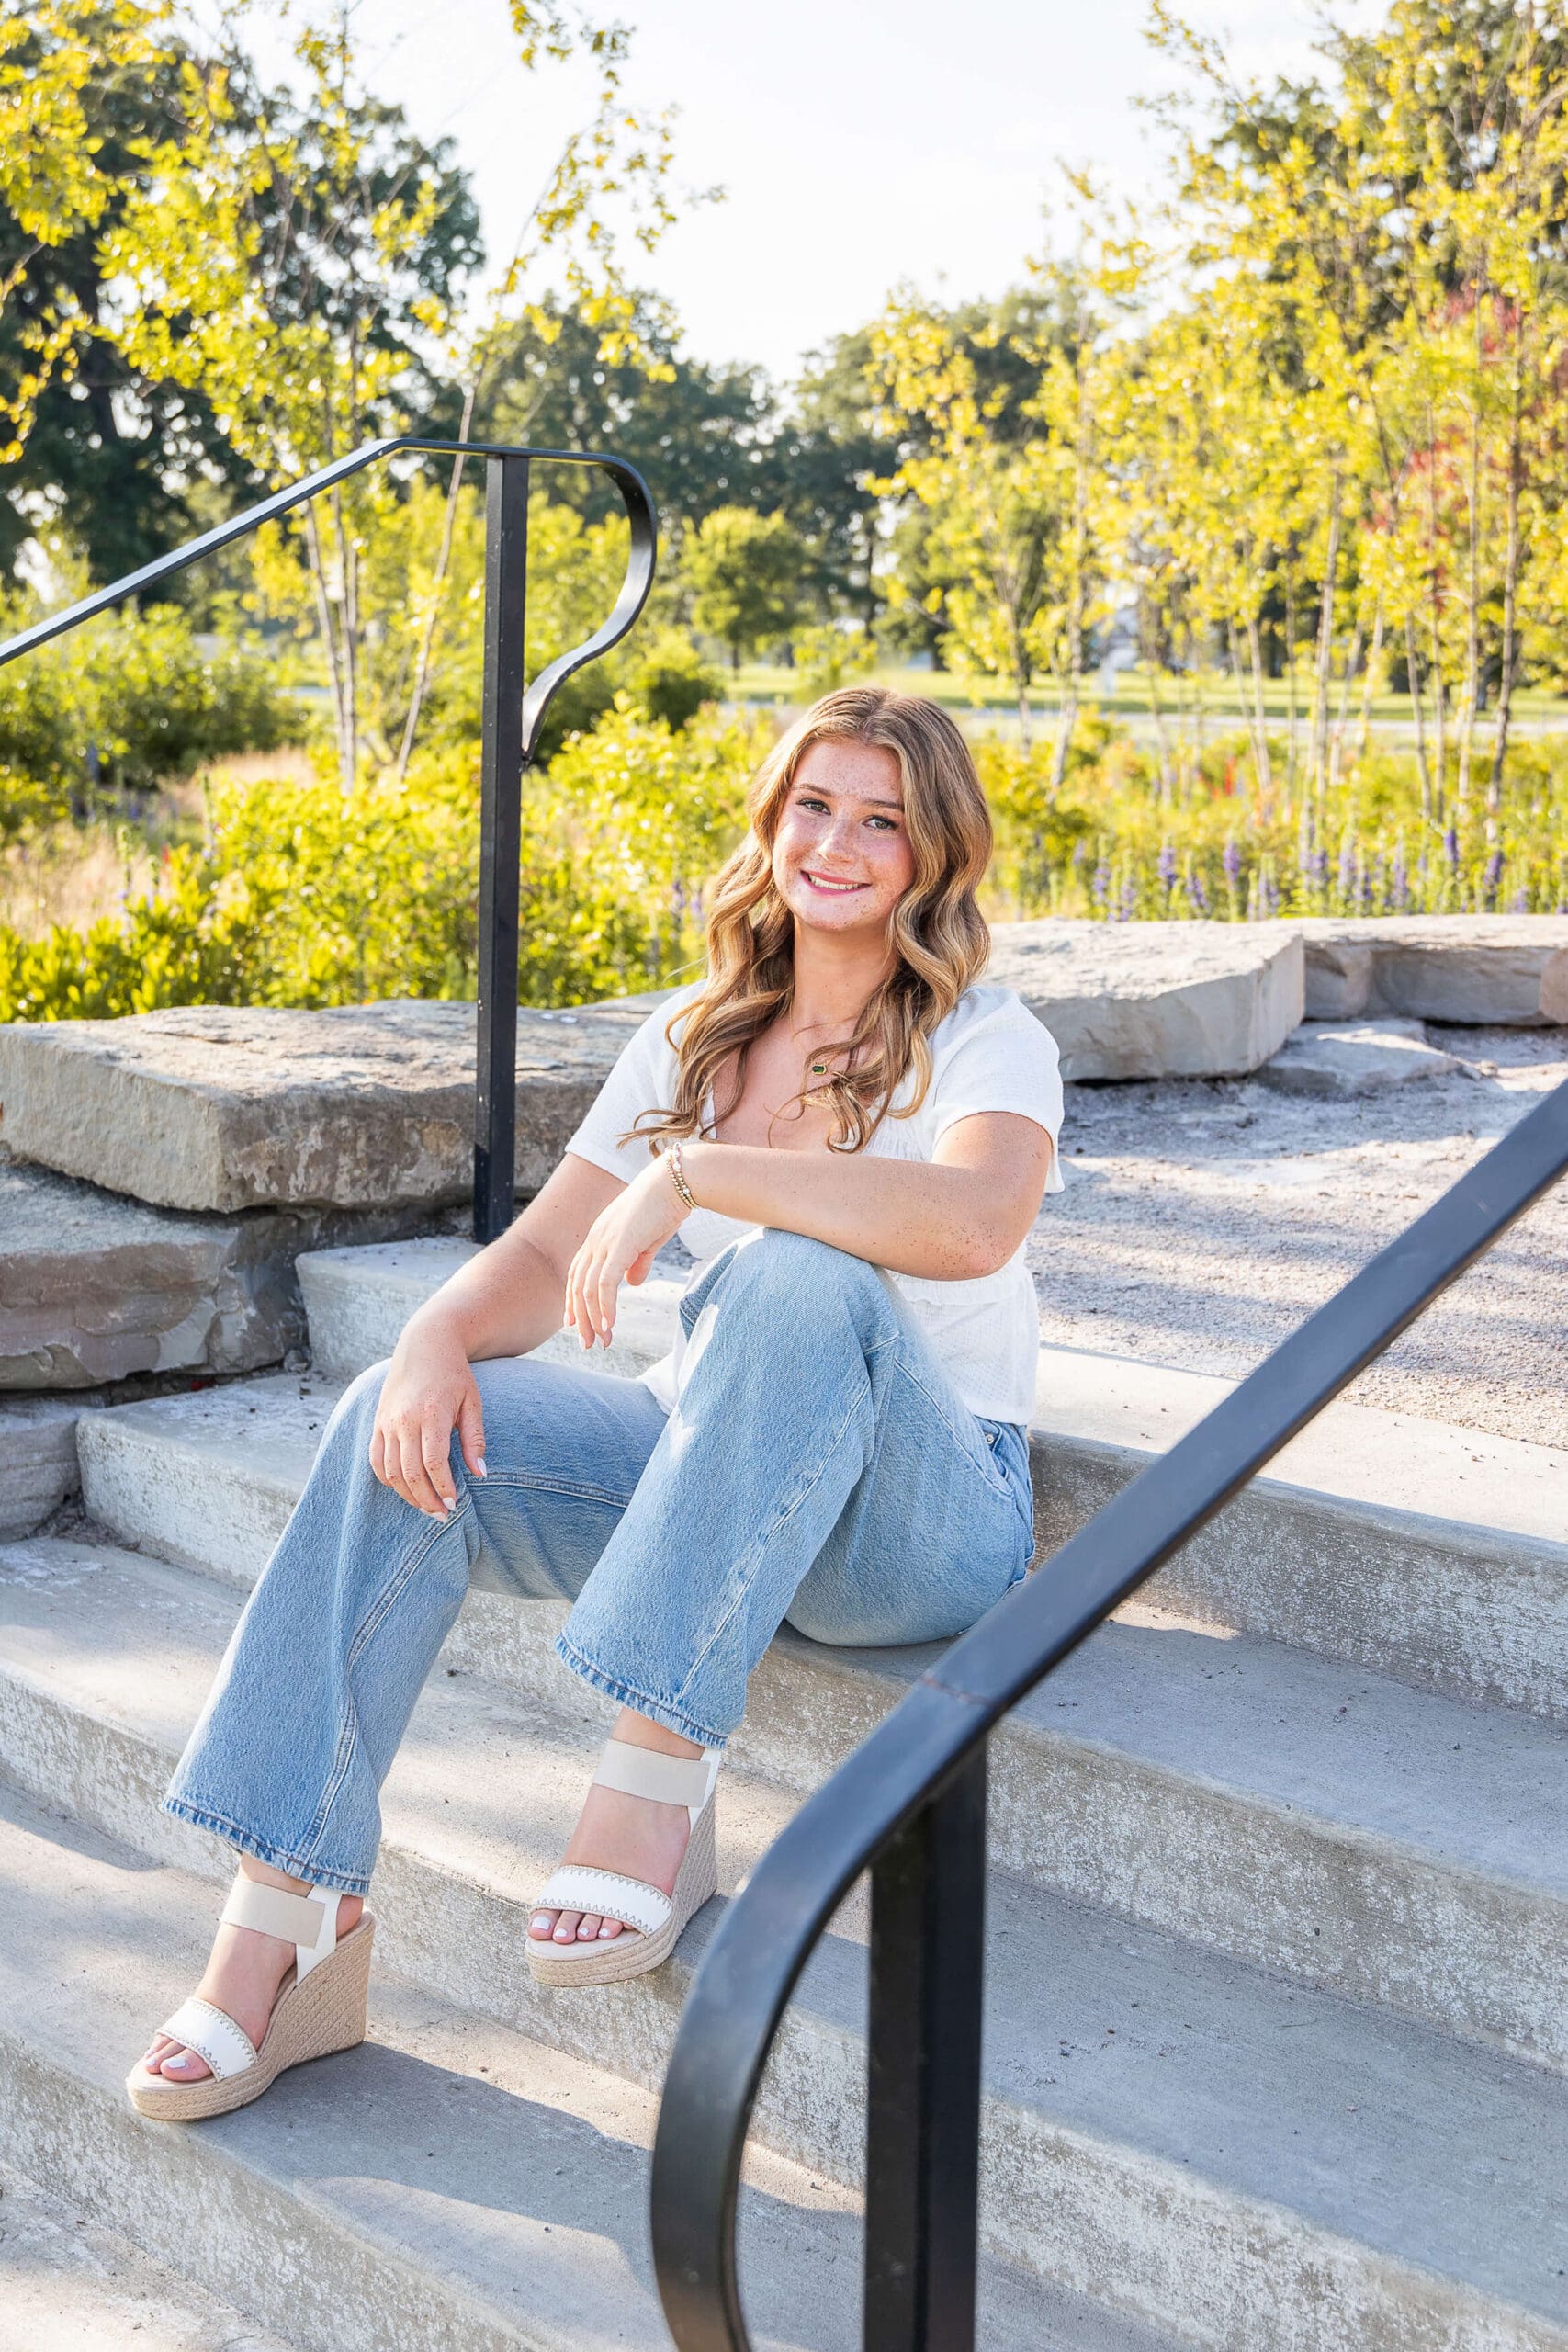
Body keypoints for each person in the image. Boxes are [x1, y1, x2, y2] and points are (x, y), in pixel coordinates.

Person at [129, 684, 1063, 2121]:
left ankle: (653, 1781)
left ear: (934, 855)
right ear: (772, 819)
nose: (839, 842)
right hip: (709, 1473)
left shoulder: (986, 1038)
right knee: (396, 1415)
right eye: (815, 804)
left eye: (883, 820)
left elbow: (975, 1224)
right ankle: (285, 1915)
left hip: (918, 1522)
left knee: (803, 1278)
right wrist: (440, 1334)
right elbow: (547, 1254)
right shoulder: (695, 1037)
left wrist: (698, 1176)